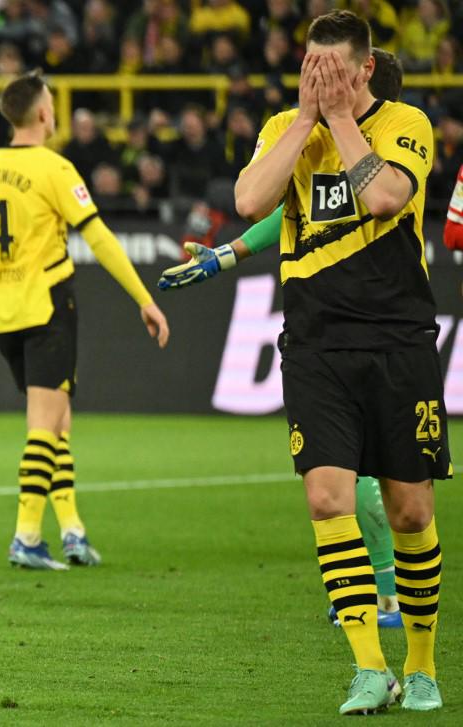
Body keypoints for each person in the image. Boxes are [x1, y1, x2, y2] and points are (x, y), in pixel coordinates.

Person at [232, 11, 447, 714]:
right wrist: (305, 119)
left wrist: (342, 118)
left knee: (410, 511)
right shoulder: (284, 128)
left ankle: (421, 665)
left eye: (333, 69)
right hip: (315, 345)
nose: (320, 79)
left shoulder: (406, 122)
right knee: (327, 498)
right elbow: (248, 200)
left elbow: (384, 197)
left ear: (364, 69)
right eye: (310, 67)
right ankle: (368, 667)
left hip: (398, 341)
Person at [157, 47, 407, 631]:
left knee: (390, 485)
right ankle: (377, 593)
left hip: (383, 328)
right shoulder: (319, 144)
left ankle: (391, 597)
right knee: (345, 474)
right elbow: (286, 211)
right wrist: (225, 255)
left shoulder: (389, 152)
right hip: (321, 333)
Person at [0, 71, 169, 571]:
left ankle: (73, 530)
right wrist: (143, 298)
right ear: (42, 113)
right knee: (43, 426)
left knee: (58, 420)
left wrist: (2, 288)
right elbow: (97, 237)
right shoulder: (55, 168)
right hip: (48, 305)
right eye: (52, 105)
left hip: (4, 309)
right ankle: (26, 536)